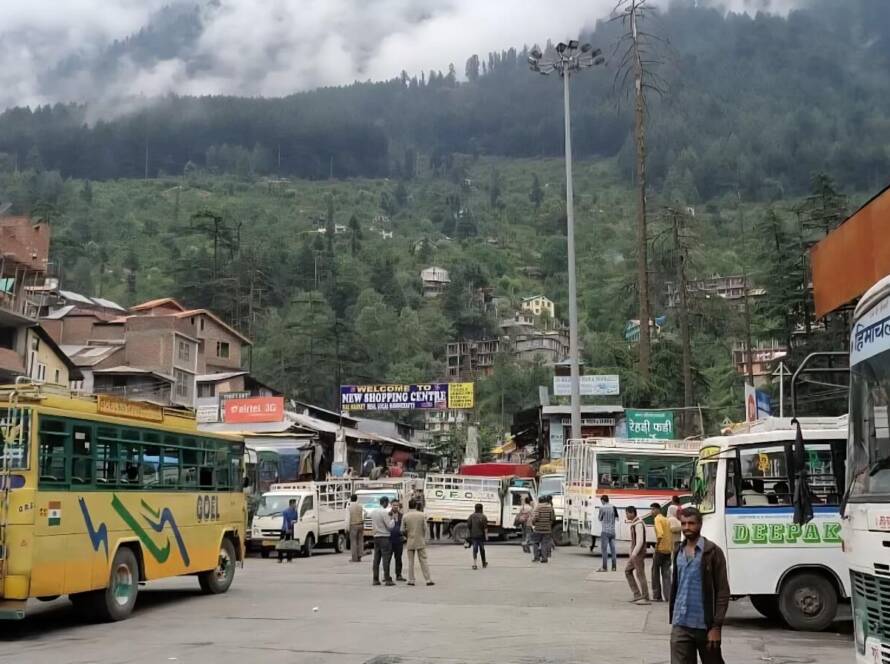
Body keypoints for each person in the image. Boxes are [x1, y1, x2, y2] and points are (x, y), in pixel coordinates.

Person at [670, 507, 730, 664]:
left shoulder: (713, 552)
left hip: (706, 626)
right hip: (680, 624)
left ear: (700, 525)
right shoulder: (678, 551)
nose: (686, 528)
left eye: (691, 523)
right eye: (683, 524)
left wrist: (716, 627)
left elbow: (723, 592)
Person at [402, 499, 434, 586]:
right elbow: (425, 528)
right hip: (420, 540)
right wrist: (423, 537)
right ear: (416, 505)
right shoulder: (422, 515)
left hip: (410, 541)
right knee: (423, 560)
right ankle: (428, 580)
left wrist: (407, 535)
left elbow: (402, 530)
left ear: (409, 506)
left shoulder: (405, 516)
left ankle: (411, 580)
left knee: (411, 562)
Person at [625, 506, 649, 604]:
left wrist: (634, 553)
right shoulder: (635, 523)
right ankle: (637, 595)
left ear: (632, 513)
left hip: (638, 553)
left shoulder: (638, 524)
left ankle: (644, 596)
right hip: (635, 553)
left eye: (627, 513)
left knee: (640, 574)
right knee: (628, 571)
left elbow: (640, 541)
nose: (626, 515)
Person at [371, 496, 395, 586]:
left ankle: (375, 579)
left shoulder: (373, 512)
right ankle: (387, 578)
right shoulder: (384, 512)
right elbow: (389, 526)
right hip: (384, 537)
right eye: (387, 503)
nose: (388, 505)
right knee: (385, 559)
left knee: (376, 559)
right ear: (384, 502)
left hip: (376, 537)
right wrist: (392, 519)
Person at [651, 502, 673, 602]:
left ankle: (657, 596)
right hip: (668, 550)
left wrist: (657, 545)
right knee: (666, 574)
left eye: (652, 509)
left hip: (660, 550)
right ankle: (668, 597)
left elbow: (660, 534)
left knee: (655, 572)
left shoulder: (657, 519)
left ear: (657, 510)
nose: (651, 512)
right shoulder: (666, 520)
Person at [530, 495, 555, 563]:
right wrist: (548, 524)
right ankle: (544, 558)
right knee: (544, 544)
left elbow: (536, 518)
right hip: (547, 529)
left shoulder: (538, 508)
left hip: (538, 529)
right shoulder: (550, 508)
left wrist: (533, 523)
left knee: (535, 543)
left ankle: (536, 557)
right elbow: (553, 519)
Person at [597, 494, 618, 572]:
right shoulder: (614, 507)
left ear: (603, 500)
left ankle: (604, 567)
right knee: (613, 550)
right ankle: (614, 567)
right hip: (612, 531)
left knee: (604, 550)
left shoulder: (602, 508)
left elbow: (599, 518)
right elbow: (617, 518)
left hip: (605, 531)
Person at [467, 503, 488, 570]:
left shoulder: (471, 516)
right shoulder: (484, 516)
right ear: (481, 509)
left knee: (475, 549)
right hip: (481, 536)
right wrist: (486, 536)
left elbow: (469, 526)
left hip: (473, 535)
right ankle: (484, 563)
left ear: (475, 508)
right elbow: (485, 528)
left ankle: (474, 564)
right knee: (482, 549)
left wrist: (468, 534)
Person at [278, 498, 298, 563]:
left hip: (291, 529)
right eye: (295, 503)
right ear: (291, 504)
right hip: (284, 529)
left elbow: (296, 519)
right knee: (282, 544)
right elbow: (285, 521)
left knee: (290, 544)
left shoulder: (295, 511)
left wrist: (294, 521)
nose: (295, 505)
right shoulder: (285, 511)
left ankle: (289, 558)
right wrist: (287, 530)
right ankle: (280, 558)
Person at [390, 499, 406, 582]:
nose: (395, 506)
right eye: (394, 505)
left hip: (399, 540)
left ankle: (399, 575)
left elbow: (404, 526)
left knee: (398, 558)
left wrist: (404, 536)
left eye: (397, 505)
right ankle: (387, 575)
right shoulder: (387, 515)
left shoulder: (402, 515)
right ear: (391, 505)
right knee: (387, 559)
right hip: (389, 540)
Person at [348, 493, 364, 562]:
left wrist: (346, 528)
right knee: (360, 541)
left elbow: (347, 518)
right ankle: (359, 556)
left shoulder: (349, 507)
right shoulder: (360, 506)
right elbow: (364, 514)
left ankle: (354, 558)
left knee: (353, 542)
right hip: (360, 524)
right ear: (356, 499)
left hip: (353, 525)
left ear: (351, 499)